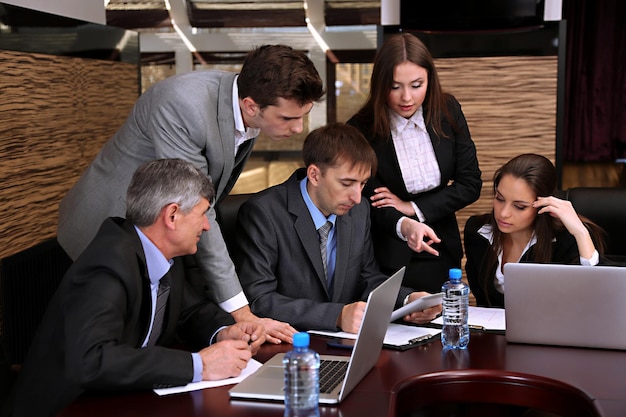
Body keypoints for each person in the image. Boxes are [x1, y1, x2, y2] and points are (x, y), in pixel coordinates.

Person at [57, 44, 324, 344]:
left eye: (303, 116)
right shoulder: (184, 106)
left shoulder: (250, 104)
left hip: (162, 233)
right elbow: (196, 205)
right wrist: (241, 311)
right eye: (288, 119)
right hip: (103, 229)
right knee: (111, 349)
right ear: (251, 106)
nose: (299, 128)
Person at [4, 159, 266, 417]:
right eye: (202, 214)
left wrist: (223, 332)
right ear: (172, 215)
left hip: (123, 399)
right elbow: (92, 359)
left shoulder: (162, 252)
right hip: (67, 406)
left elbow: (190, 310)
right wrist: (201, 364)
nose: (207, 226)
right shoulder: (106, 266)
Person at [235, 123, 442, 333]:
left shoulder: (358, 210)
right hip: (288, 345)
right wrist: (336, 316)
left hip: (343, 345)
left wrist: (408, 300)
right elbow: (259, 299)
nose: (357, 197)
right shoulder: (264, 213)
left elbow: (366, 278)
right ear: (314, 175)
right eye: (346, 183)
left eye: (362, 184)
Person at [347, 33, 482, 294]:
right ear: (380, 84)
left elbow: (470, 183)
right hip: (388, 255)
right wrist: (404, 222)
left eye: (417, 84)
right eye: (395, 86)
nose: (406, 97)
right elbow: (370, 202)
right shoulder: (361, 128)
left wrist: (412, 207)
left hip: (439, 246)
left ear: (430, 79)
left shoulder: (447, 110)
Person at [464, 153, 606, 308]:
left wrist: (581, 232)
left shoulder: (565, 240)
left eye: (519, 206)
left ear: (543, 203)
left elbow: (595, 299)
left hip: (548, 331)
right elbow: (482, 302)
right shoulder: (477, 231)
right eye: (499, 198)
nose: (504, 213)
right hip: (489, 330)